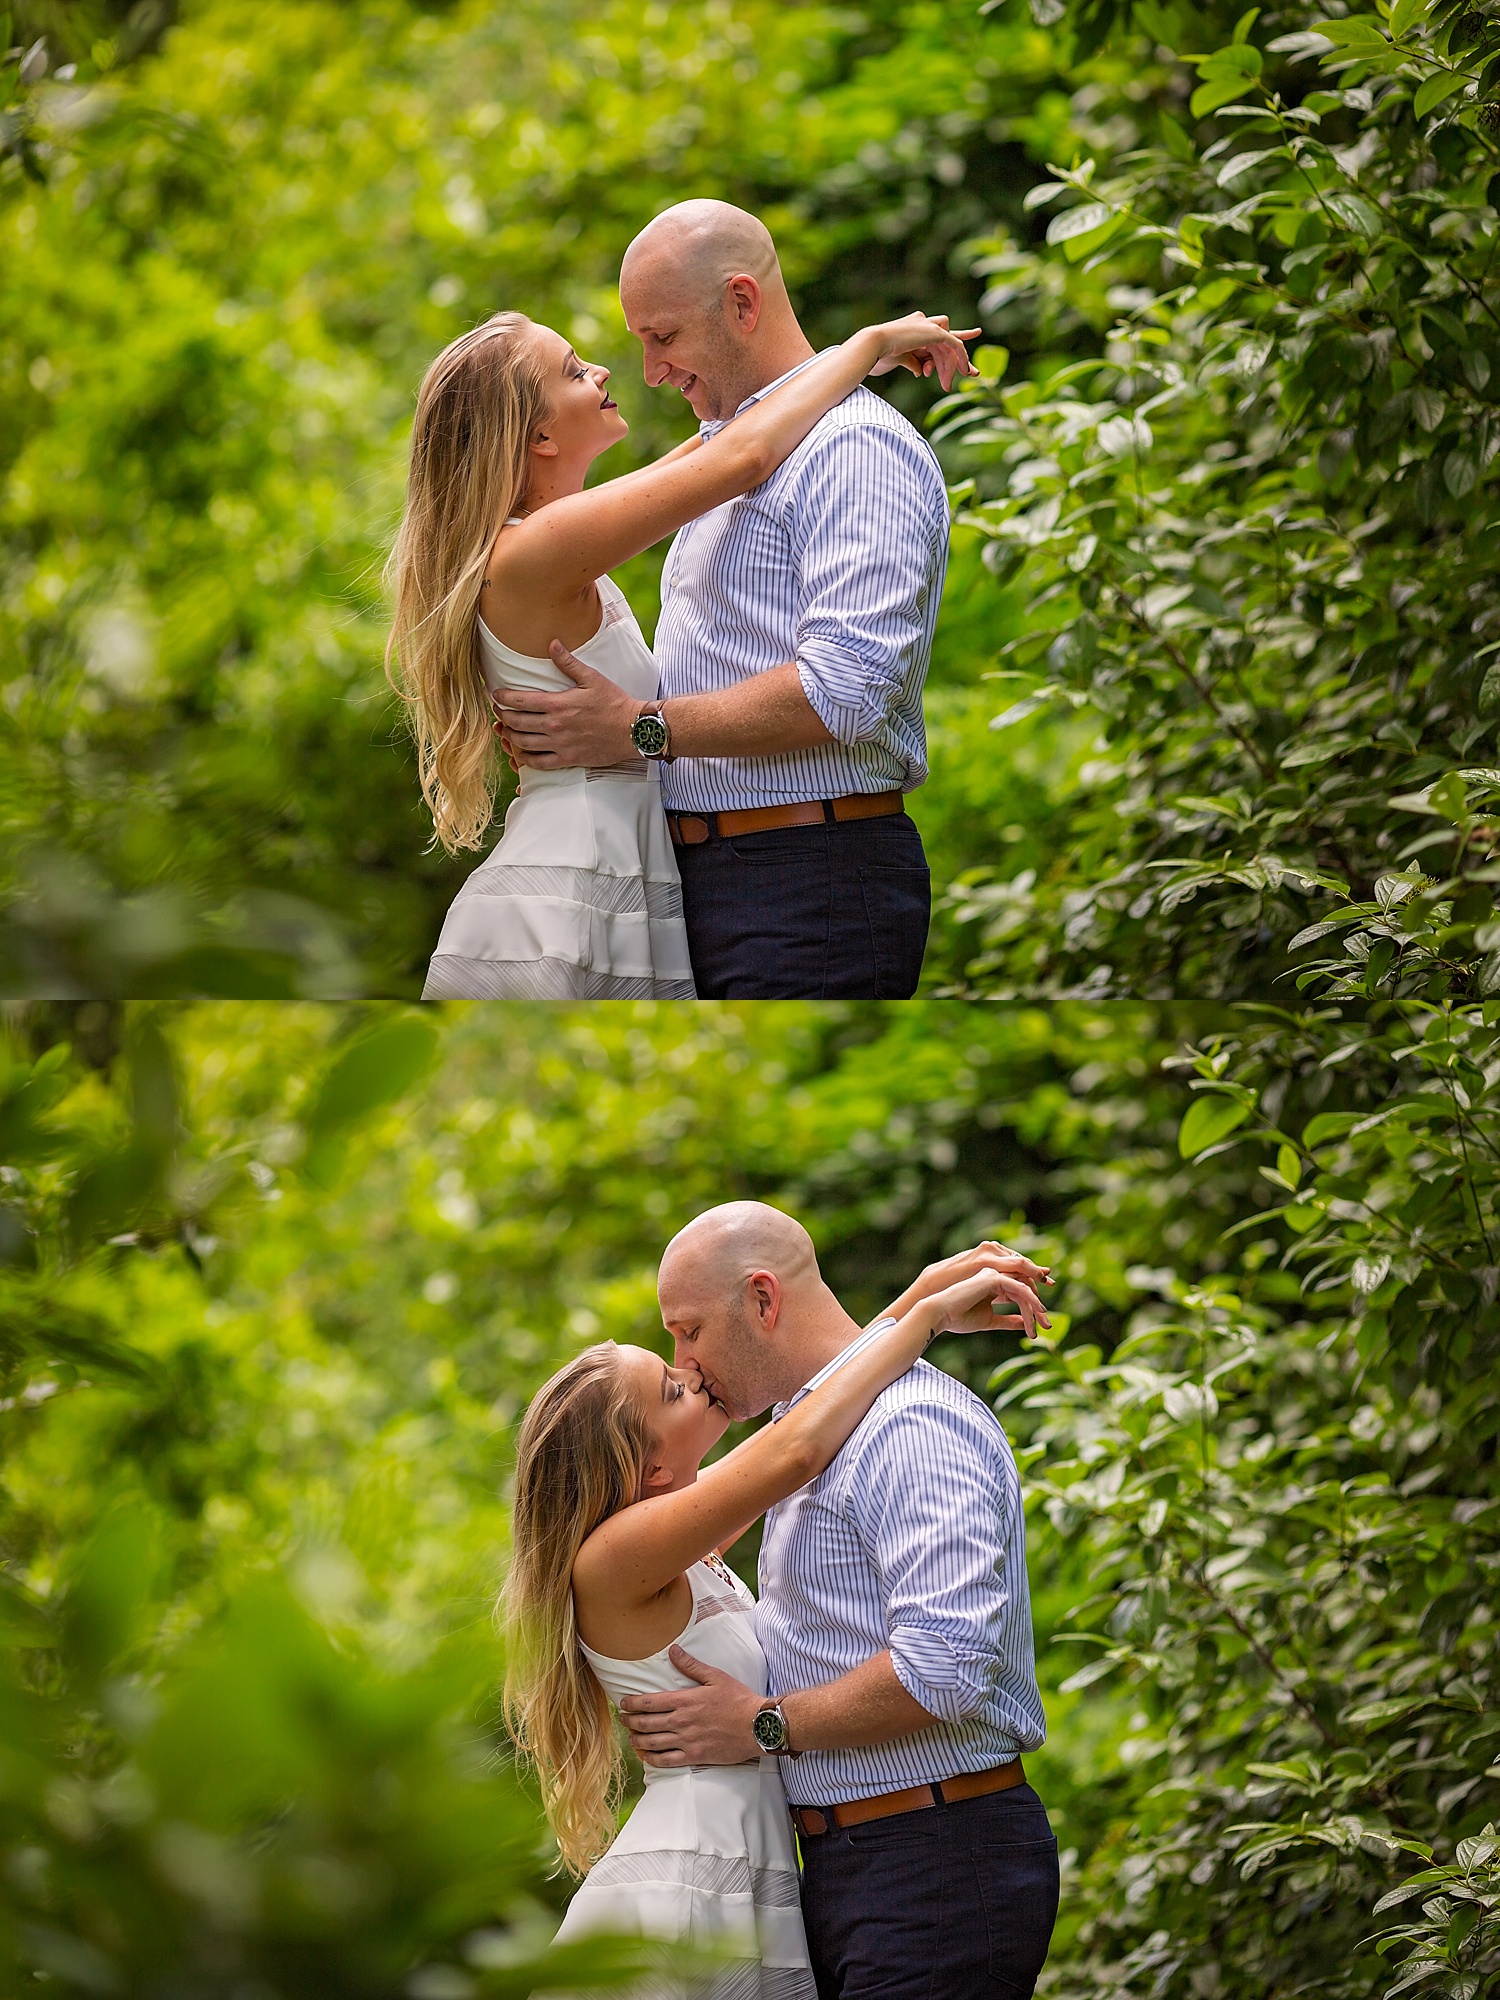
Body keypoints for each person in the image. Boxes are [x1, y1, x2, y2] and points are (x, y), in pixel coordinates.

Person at [502, 1234, 1051, 1999]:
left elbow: (812, 1411)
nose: (690, 1369)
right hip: (700, 1871)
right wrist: (923, 1316)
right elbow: (794, 1447)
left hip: (811, 1860)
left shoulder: (674, 1540)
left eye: (684, 1342)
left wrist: (912, 1299)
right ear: (648, 1466)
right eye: (670, 1385)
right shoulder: (620, 1555)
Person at [384, 300, 975, 998]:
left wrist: (853, 362)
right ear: (540, 435)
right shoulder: (535, 550)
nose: (603, 369)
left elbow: (723, 441)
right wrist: (870, 337)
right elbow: (741, 454)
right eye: (575, 371)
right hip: (578, 870)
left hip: (621, 856)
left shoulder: (540, 539)